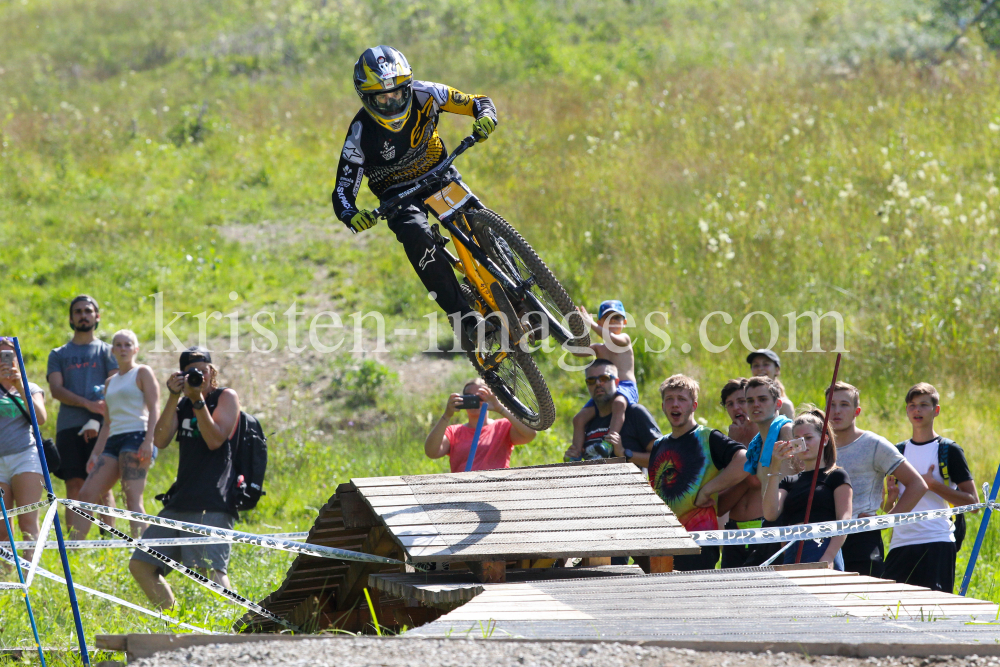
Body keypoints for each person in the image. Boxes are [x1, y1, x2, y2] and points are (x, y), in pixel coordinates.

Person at [331, 45, 499, 345]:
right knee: (416, 236)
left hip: (439, 172)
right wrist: (352, 215)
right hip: (397, 195)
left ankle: (513, 281)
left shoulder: (429, 93)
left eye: (397, 93)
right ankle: (464, 318)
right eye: (382, 97)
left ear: (409, 85)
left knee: (477, 221)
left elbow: (478, 102)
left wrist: (486, 117)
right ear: (366, 99)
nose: (392, 101)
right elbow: (342, 192)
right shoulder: (359, 133)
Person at [129, 347, 240, 609]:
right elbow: (160, 440)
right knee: (141, 564)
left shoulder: (225, 397)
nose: (199, 376)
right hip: (181, 500)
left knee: (210, 571)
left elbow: (215, 440)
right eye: (192, 372)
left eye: (203, 370)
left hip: (213, 500)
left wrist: (198, 400)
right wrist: (174, 396)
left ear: (213, 372)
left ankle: (235, 627)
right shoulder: (182, 403)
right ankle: (174, 619)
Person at [628, 375, 748, 571]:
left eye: (681, 399)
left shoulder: (708, 437)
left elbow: (744, 460)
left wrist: (707, 490)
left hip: (697, 544)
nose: (675, 405)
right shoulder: (659, 445)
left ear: (694, 405)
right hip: (662, 543)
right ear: (662, 406)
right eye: (670, 399)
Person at [883, 383, 977, 593]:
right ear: (907, 410)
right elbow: (887, 510)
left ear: (936, 410)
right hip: (900, 542)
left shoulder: (948, 450)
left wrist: (932, 485)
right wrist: (890, 499)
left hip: (936, 540)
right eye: (912, 405)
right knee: (889, 606)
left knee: (934, 609)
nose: (917, 410)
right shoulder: (897, 451)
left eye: (924, 405)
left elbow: (973, 503)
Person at [828, 381, 927, 577]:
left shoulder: (874, 444)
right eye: (831, 405)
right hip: (822, 537)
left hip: (861, 540)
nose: (836, 411)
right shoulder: (817, 445)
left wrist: (886, 521)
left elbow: (917, 485)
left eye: (844, 405)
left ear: (857, 411)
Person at [74, 331, 160, 539]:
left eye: (127, 345)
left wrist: (150, 441)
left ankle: (143, 553)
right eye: (118, 345)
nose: (123, 349)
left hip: (137, 437)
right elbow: (107, 422)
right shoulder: (110, 382)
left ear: (135, 349)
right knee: (86, 495)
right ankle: (73, 550)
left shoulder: (142, 372)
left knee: (132, 499)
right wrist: (96, 453)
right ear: (112, 350)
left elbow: (155, 407)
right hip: (113, 441)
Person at [47, 295, 118, 536]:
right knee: (73, 484)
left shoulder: (108, 351)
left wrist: (96, 418)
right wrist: (88, 404)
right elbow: (56, 390)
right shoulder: (58, 354)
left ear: (97, 316)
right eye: (77, 311)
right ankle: (76, 543)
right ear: (71, 318)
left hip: (103, 424)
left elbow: (118, 386)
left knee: (102, 483)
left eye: (88, 311)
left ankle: (108, 539)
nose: (83, 315)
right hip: (68, 426)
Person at [764, 408, 852, 569]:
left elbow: (844, 520)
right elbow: (770, 513)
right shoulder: (789, 481)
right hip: (792, 551)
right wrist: (775, 464)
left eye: (808, 438)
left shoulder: (837, 475)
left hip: (823, 549)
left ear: (824, 440)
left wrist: (828, 556)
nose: (802, 444)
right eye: (797, 439)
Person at [716, 378, 781, 568]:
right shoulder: (725, 443)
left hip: (763, 527)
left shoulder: (768, 438)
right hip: (734, 531)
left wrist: (740, 464)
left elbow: (756, 482)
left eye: (742, 401)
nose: (736, 408)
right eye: (730, 404)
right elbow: (719, 506)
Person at [566, 300, 636, 459]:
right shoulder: (598, 348)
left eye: (617, 318)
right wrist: (577, 327)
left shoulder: (624, 339)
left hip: (625, 386)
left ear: (624, 322)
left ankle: (609, 441)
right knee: (579, 418)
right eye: (607, 319)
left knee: (619, 403)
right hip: (605, 389)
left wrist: (591, 324)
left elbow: (611, 338)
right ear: (600, 322)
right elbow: (576, 352)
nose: (612, 322)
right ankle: (575, 452)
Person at [424, 378, 536, 472]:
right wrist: (446, 415)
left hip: (497, 489)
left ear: (489, 398)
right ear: (462, 399)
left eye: (480, 397)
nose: (474, 400)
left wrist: (500, 408)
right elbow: (431, 452)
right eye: (469, 396)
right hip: (464, 490)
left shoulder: (502, 427)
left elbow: (530, 434)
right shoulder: (454, 432)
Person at [0, 337, 46, 560]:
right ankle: (7, 579)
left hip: (25, 456)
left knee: (27, 521)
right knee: (1, 526)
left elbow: (42, 418)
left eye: (9, 355)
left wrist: (19, 386)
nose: (4, 360)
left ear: (17, 358)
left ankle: (30, 575)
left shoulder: (30, 387)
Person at [565, 359, 661, 463]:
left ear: (616, 382)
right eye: (591, 380)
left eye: (604, 378)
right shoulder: (586, 422)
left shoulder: (635, 413)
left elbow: (663, 458)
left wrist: (624, 453)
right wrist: (571, 460)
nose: (598, 383)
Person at [743, 376, 794, 492]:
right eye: (750, 401)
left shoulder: (787, 432)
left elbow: (809, 473)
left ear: (778, 404)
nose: (755, 404)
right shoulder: (757, 445)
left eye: (762, 399)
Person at [746, 349, 794, 419]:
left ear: (777, 370)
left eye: (766, 364)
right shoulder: (746, 402)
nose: (760, 368)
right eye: (756, 365)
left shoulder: (784, 405)